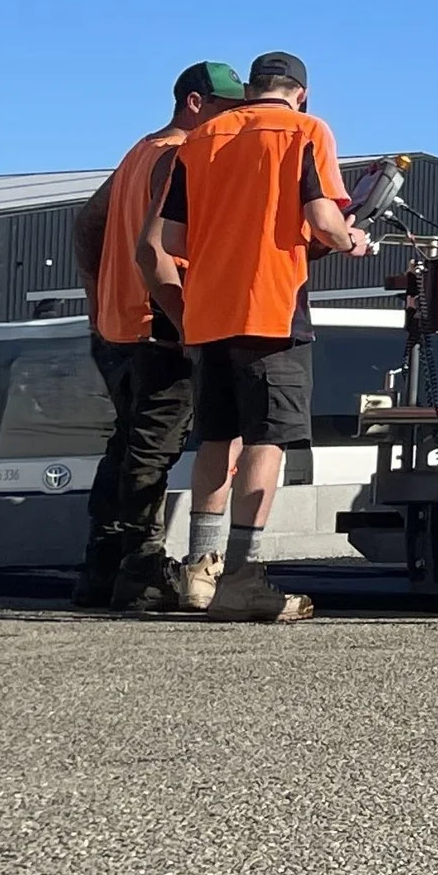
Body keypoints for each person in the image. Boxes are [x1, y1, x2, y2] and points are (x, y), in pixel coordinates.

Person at [141, 51, 370, 622]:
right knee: (267, 439)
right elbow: (322, 220)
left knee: (217, 439)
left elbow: (172, 236)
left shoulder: (203, 139)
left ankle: (201, 571)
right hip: (271, 307)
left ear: (251, 89)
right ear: (301, 93)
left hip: (207, 311)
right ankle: (244, 577)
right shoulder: (307, 131)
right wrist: (350, 240)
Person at [68, 61, 244, 610]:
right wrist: (188, 319)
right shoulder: (181, 155)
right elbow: (161, 247)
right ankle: (141, 567)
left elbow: (88, 222)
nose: (232, 120)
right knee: (152, 448)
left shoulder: (136, 152)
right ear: (194, 104)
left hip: (116, 323)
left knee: (125, 444)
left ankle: (102, 567)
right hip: (158, 321)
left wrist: (96, 291)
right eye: (225, 109)